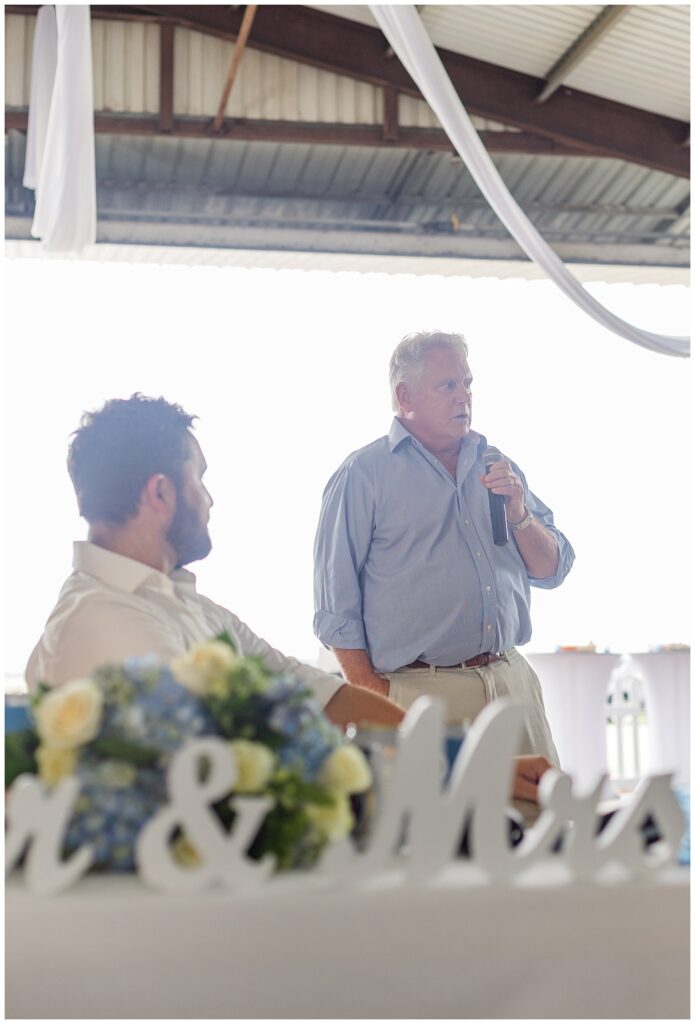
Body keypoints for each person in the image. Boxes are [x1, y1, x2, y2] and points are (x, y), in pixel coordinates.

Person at [26, 393, 551, 806]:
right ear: (159, 493)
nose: (209, 498)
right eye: (199, 479)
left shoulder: (192, 608)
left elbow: (326, 697)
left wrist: (483, 768)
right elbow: (213, 766)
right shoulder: (103, 619)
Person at [313, 331, 575, 815]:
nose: (464, 396)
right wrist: (378, 698)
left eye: (468, 384)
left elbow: (552, 568)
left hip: (510, 683)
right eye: (448, 385)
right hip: (420, 694)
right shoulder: (362, 475)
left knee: (545, 835)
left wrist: (518, 511)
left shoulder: (498, 465)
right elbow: (335, 611)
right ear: (404, 396)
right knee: (439, 845)